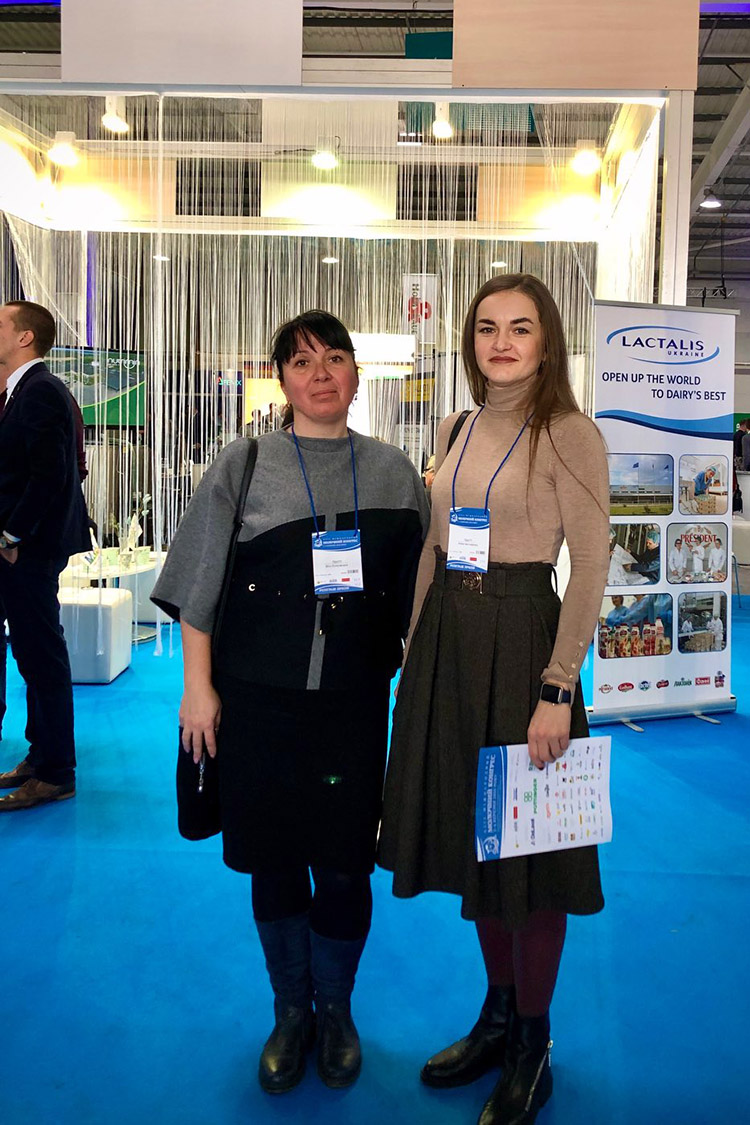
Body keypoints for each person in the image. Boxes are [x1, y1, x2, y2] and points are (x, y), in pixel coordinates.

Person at [151, 310, 429, 1095]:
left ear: (356, 375)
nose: (320, 373)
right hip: (256, 704)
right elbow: (198, 590)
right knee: (273, 861)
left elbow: (419, 601)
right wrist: (197, 688)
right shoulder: (242, 466)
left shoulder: (395, 475)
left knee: (343, 866)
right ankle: (290, 1013)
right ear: (281, 379)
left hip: (351, 707)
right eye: (301, 362)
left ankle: (335, 1011)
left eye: (334, 357)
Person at [378, 274, 609, 1125]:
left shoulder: (570, 433)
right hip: (448, 642)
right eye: (486, 328)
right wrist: (411, 650)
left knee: (531, 856)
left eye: (520, 327)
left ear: (547, 343)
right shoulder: (455, 426)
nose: (501, 342)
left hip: (523, 646)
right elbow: (435, 549)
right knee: (478, 845)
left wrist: (558, 686)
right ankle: (498, 1015)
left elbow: (591, 564)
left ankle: (533, 1043)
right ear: (470, 341)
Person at [0, 301, 90, 811]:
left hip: (28, 551)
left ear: (25, 337)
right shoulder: (25, 390)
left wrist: (10, 537)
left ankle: (55, 772)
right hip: (25, 548)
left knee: (42, 658)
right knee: (33, 657)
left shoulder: (40, 391)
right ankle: (40, 758)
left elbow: (49, 475)